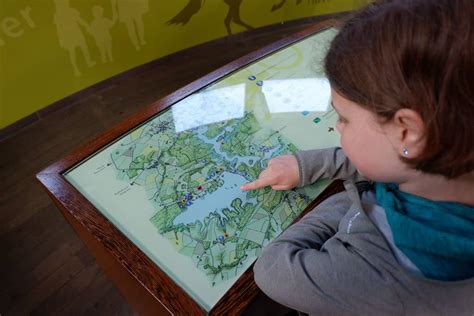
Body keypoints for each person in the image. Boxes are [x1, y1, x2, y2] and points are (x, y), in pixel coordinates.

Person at [241, 0, 474, 314]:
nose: (337, 126)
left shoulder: (374, 269)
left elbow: (274, 269)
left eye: (344, 118)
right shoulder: (456, 152)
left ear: (406, 131)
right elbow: (403, 161)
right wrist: (309, 164)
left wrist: (347, 200)